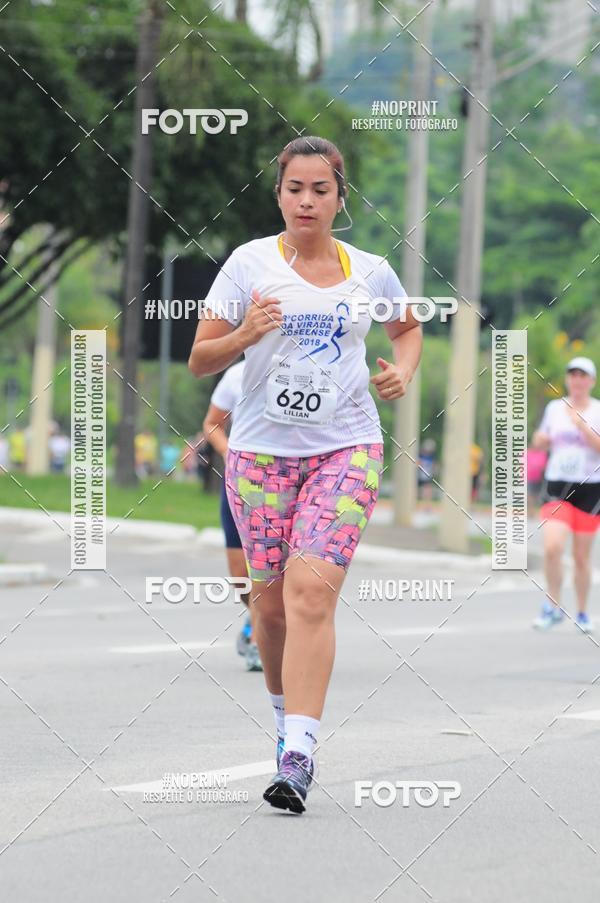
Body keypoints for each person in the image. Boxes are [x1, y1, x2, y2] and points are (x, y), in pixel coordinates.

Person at [189, 136, 422, 814]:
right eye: (295, 188)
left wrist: (399, 372)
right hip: (260, 452)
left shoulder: (371, 271)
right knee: (268, 606)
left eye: (321, 189)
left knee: (310, 591)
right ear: (279, 194)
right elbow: (201, 358)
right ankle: (286, 716)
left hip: (345, 448)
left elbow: (407, 330)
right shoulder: (248, 264)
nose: (307, 200)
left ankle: (300, 749)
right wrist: (244, 334)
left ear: (340, 199)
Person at [532, 357, 600, 633]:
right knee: (552, 547)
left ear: (591, 381)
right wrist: (540, 440)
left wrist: (581, 425)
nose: (578, 380)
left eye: (583, 376)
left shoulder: (597, 410)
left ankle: (582, 611)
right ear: (568, 379)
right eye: (573, 375)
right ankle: (553, 605)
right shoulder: (554, 408)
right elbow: (540, 437)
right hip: (557, 485)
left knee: (582, 557)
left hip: (589, 488)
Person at [203, 360, 263, 672]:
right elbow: (212, 423)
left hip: (284, 482)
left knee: (271, 570)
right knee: (241, 577)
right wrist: (229, 452)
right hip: (239, 481)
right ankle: (256, 616)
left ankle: (259, 640)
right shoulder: (237, 374)